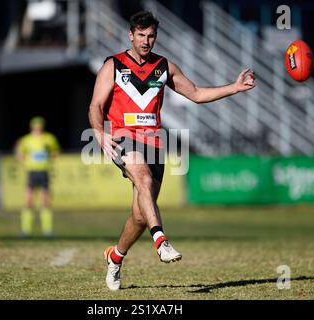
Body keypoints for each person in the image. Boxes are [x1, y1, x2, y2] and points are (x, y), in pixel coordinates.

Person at [88, 11, 256, 291]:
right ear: (131, 35)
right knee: (142, 179)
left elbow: (197, 94)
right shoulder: (113, 66)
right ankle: (161, 241)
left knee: (140, 215)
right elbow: (95, 105)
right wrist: (99, 133)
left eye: (150, 35)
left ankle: (115, 256)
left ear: (155, 37)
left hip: (153, 143)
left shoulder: (164, 67)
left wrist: (235, 88)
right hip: (121, 137)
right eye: (140, 35)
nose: (145, 41)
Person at [15, 116, 60, 238]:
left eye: (39, 127)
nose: (37, 129)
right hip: (31, 172)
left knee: (45, 201)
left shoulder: (49, 138)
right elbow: (19, 153)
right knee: (28, 201)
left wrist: (50, 160)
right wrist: (26, 162)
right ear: (31, 127)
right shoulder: (26, 140)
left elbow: (55, 151)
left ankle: (47, 230)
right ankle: (26, 231)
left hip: (44, 172)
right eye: (35, 127)